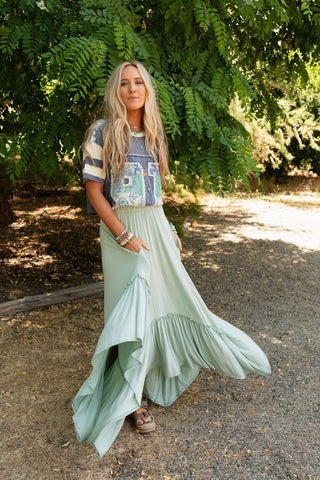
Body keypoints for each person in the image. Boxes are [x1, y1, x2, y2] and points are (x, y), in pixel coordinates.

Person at [72, 61, 271, 458]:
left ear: (147, 89)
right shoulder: (102, 131)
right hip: (120, 233)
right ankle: (131, 400)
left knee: (168, 300)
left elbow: (156, 196)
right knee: (130, 311)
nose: (132, 89)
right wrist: (125, 236)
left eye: (138, 82)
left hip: (155, 229)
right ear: (117, 90)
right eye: (125, 84)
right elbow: (95, 192)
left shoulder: (155, 135)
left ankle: (152, 380)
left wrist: (170, 232)